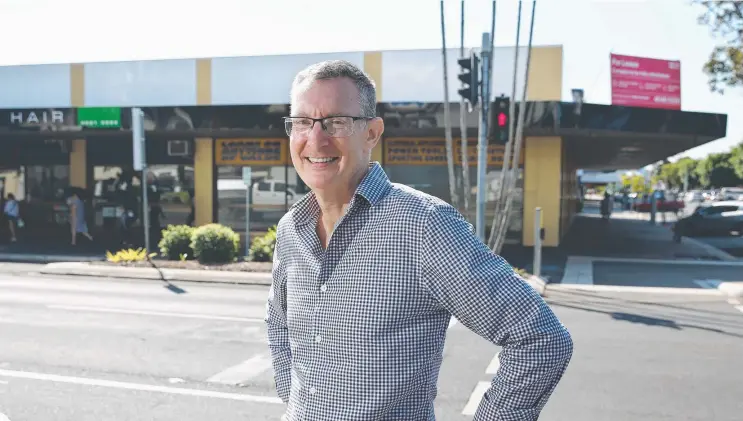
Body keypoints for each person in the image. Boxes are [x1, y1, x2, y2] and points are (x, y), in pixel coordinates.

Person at [265, 60, 573, 421]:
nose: (315, 138)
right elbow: (277, 320)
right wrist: (295, 403)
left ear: (372, 133)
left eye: (336, 122)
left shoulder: (423, 225)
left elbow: (540, 339)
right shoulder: (291, 228)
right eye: (302, 122)